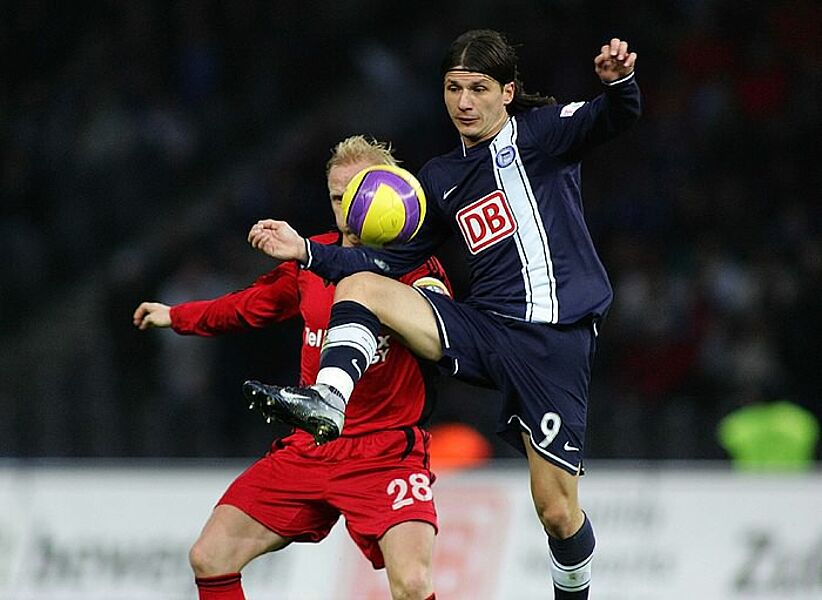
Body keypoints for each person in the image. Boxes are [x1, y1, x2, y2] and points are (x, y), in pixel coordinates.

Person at [245, 30, 641, 599]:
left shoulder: (544, 133)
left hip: (553, 345)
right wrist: (307, 251)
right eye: (454, 88)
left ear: (507, 92)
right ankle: (329, 399)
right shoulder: (439, 178)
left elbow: (616, 116)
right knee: (363, 284)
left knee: (556, 511)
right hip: (486, 328)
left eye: (478, 89)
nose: (464, 102)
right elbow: (391, 259)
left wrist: (620, 82)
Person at [133, 135, 451, 600]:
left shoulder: (416, 266)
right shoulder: (311, 257)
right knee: (210, 556)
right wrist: (177, 316)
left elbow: (445, 337)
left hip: (385, 452)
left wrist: (431, 306)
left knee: (414, 583)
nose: (349, 209)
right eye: (338, 198)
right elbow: (248, 305)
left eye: (358, 193)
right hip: (312, 445)